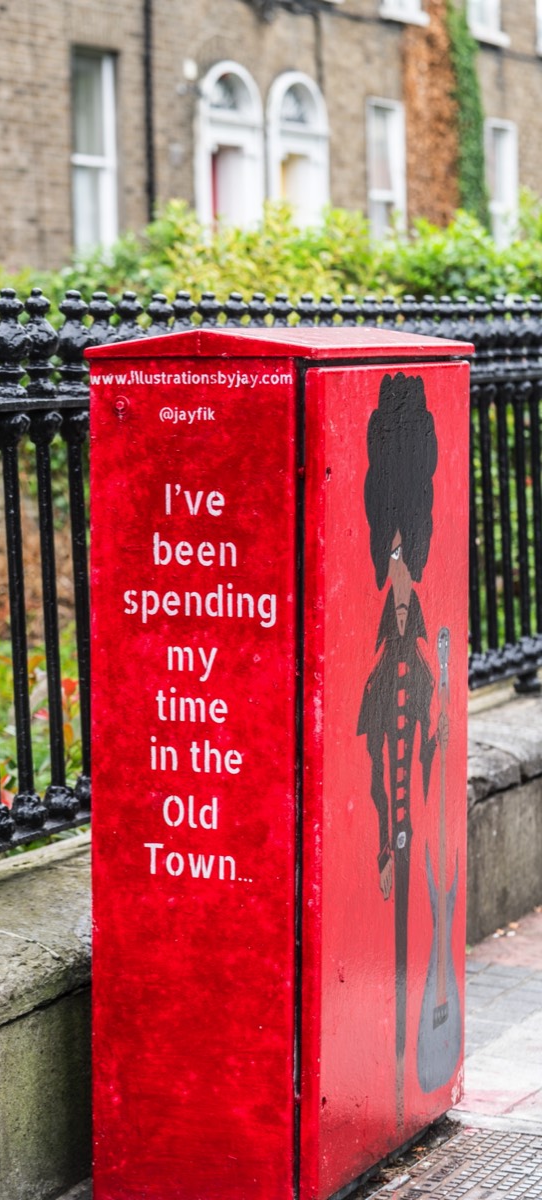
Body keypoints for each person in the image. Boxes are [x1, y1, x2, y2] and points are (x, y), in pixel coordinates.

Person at [357, 371, 445, 1126]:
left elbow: (403, 546)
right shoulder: (399, 467)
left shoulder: (402, 459)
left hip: (402, 664)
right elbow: (395, 546)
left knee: (396, 774)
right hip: (392, 667)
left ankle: (395, 1094)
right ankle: (391, 840)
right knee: (388, 771)